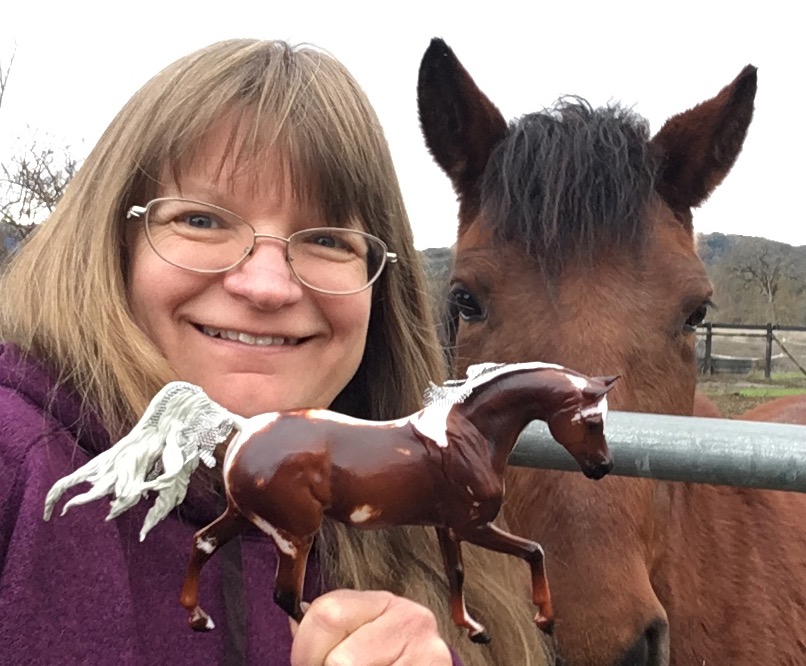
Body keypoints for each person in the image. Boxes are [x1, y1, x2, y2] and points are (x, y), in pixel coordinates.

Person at [0, 39, 549, 665]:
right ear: (113, 244)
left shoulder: (425, 533)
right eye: (201, 221)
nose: (266, 286)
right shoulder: (15, 464)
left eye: (325, 239)